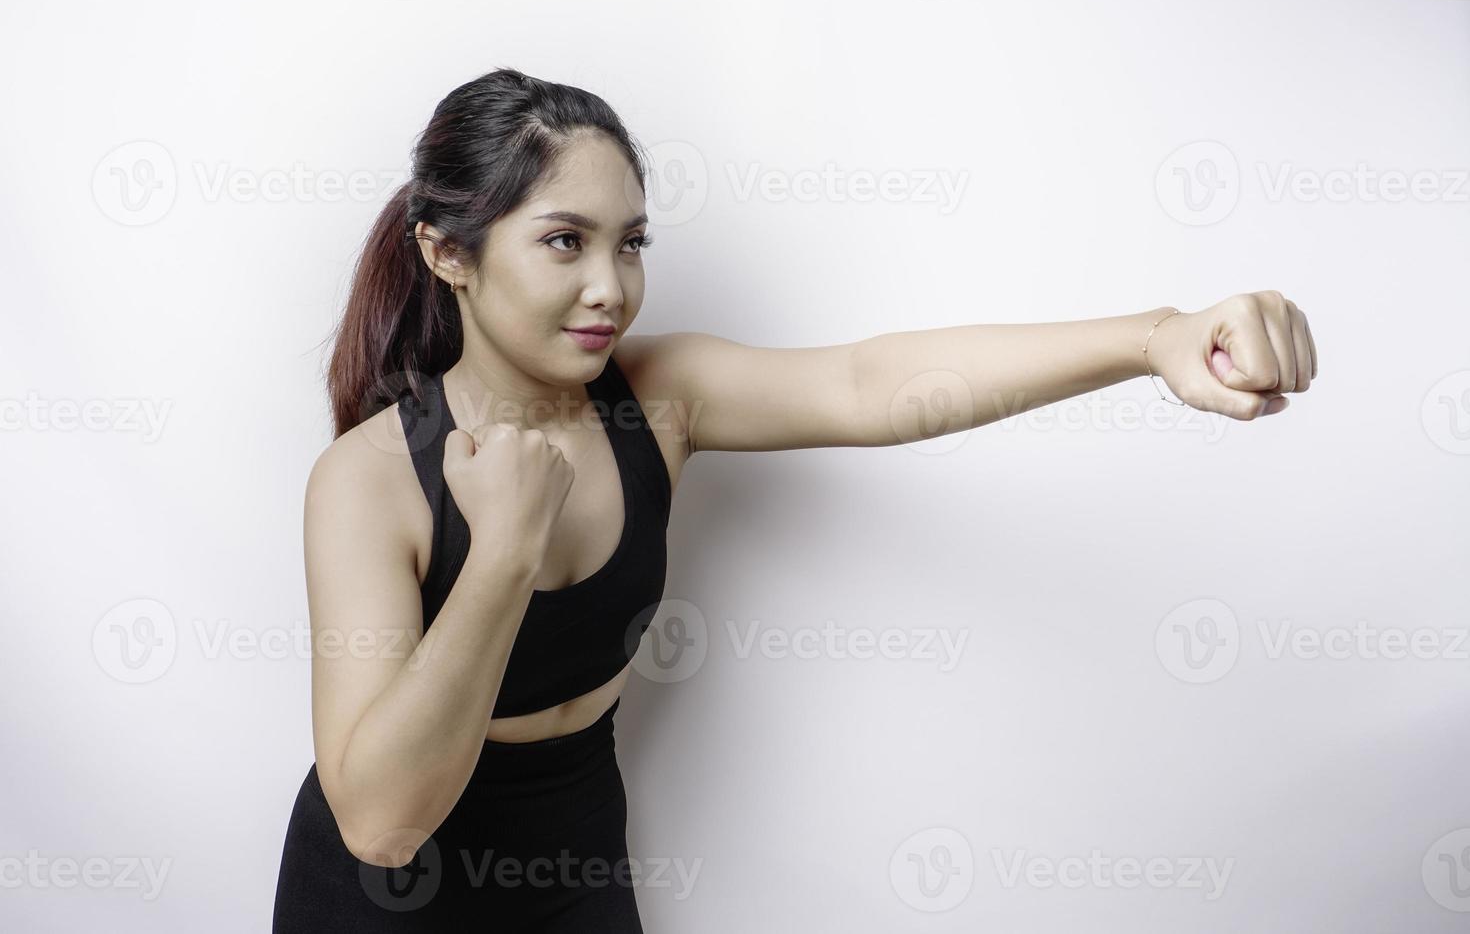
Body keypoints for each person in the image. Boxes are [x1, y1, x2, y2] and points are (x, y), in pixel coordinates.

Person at [271, 66, 1317, 930]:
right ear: (448, 251)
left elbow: (870, 383)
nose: (611, 286)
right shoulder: (369, 481)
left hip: (577, 867)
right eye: (564, 240)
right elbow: (383, 822)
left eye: (630, 241)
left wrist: (1155, 336)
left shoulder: (654, 401)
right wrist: (502, 550)